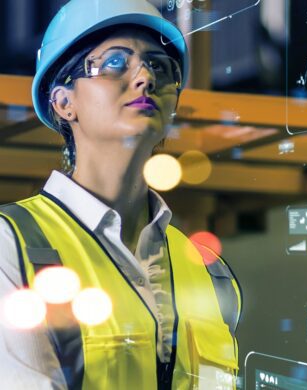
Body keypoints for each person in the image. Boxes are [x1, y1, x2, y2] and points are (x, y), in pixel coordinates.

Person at [0, 0, 241, 388]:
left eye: (160, 66)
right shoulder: (12, 247)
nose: (146, 78)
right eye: (115, 62)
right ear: (63, 102)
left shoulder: (210, 272)